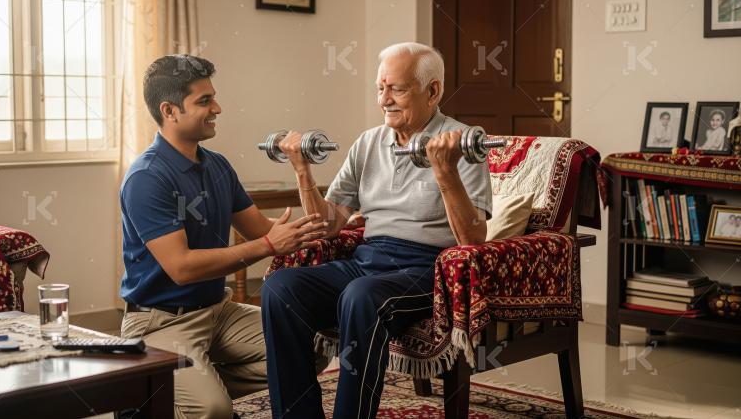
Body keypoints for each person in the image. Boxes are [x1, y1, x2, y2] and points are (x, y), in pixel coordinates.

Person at [261, 42, 492, 418]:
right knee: (279, 288)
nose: (384, 100)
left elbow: (472, 240)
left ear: (432, 91)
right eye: (380, 88)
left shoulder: (460, 144)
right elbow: (328, 225)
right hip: (368, 259)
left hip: (426, 269)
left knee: (361, 296)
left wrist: (444, 171)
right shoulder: (369, 142)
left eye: (396, 89)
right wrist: (302, 170)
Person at [118, 54, 328, 418]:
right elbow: (181, 268)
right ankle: (161, 390)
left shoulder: (217, 165)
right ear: (169, 111)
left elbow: (262, 229)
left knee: (314, 345)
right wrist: (266, 247)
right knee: (213, 409)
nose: (217, 107)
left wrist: (321, 207)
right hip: (163, 321)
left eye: (213, 97)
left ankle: (182, 383)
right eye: (204, 101)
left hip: (219, 311)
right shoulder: (147, 177)